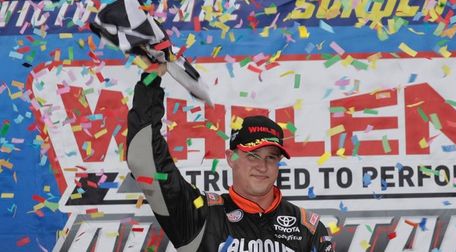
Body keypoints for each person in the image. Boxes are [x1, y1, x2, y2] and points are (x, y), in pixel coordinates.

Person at [126, 61, 335, 251]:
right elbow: (144, 160)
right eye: (252, 155)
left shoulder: (308, 227)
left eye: (271, 157)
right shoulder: (201, 215)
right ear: (230, 157)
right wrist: (151, 78)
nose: (262, 166)